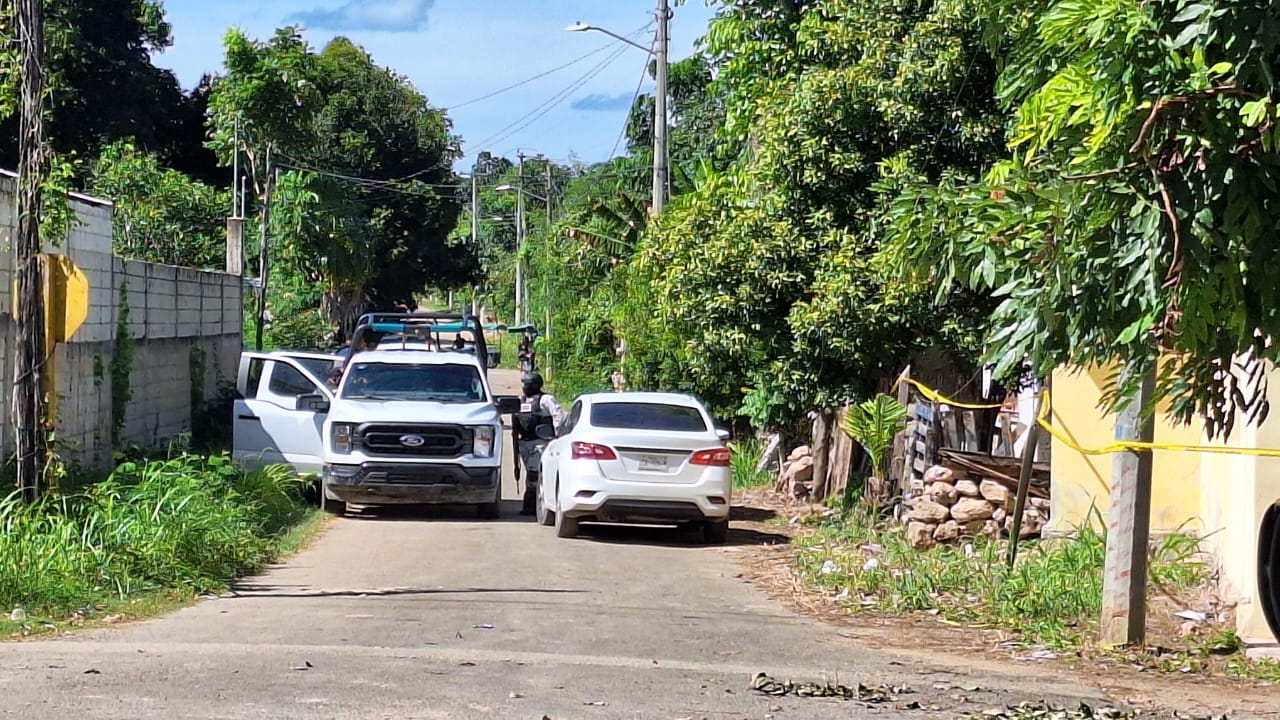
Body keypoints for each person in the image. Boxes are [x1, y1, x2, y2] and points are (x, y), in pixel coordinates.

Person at [512, 371, 563, 516]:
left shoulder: (546, 400)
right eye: (524, 384)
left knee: (534, 473)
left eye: (527, 384)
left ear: (535, 385)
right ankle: (532, 504)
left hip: (541, 442)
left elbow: (558, 415)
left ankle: (533, 504)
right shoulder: (520, 401)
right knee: (531, 474)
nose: (524, 387)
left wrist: (556, 435)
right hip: (524, 444)